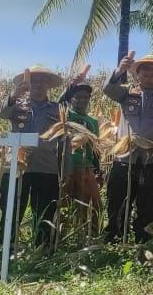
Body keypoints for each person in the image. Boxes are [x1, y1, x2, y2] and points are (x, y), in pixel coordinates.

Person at [102, 53, 153, 244]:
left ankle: (144, 242)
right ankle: (114, 241)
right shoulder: (126, 92)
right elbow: (107, 89)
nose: (150, 72)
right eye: (145, 68)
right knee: (118, 200)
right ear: (137, 72)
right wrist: (119, 70)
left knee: (149, 203)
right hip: (125, 158)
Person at [0, 64, 69, 249]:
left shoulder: (58, 109)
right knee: (11, 211)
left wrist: (65, 171)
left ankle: (42, 251)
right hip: (16, 167)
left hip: (46, 168)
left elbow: (64, 141)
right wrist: (14, 95)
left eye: (43, 80)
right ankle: (5, 249)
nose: (38, 83)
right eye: (34, 80)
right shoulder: (16, 105)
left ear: (49, 85)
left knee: (45, 213)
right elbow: (1, 114)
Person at [60, 76, 102, 237]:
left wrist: (98, 171)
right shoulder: (65, 115)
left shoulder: (93, 121)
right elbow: (60, 103)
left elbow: (96, 148)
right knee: (64, 205)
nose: (82, 100)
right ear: (71, 99)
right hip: (67, 168)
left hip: (86, 168)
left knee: (94, 206)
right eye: (78, 97)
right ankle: (60, 237)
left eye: (86, 97)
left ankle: (90, 236)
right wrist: (71, 86)